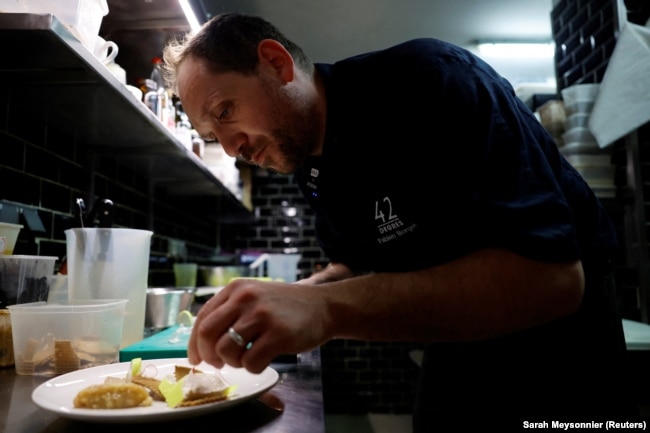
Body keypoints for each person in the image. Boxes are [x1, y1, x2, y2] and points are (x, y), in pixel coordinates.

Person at [162, 12, 636, 430]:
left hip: (564, 353)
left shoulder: (430, 80)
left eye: (225, 112)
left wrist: (325, 311)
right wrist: (301, 294)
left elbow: (553, 281)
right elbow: (353, 264)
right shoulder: (308, 166)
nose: (231, 149)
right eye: (211, 135)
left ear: (277, 63)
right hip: (456, 339)